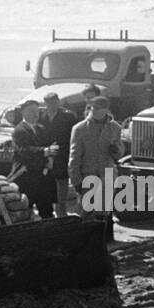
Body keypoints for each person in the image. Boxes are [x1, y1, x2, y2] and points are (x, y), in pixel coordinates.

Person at [69, 95, 123, 242]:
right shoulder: (79, 129)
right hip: (88, 175)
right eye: (95, 108)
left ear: (106, 109)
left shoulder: (115, 127)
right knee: (84, 212)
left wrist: (116, 150)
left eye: (101, 109)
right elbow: (74, 157)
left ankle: (103, 243)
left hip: (107, 174)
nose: (98, 111)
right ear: (90, 108)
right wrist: (76, 180)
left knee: (104, 212)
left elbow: (120, 152)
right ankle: (82, 242)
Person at [12, 99, 53, 218]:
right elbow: (24, 150)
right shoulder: (19, 130)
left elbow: (51, 144)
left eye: (37, 112)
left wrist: (50, 158)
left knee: (46, 210)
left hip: (43, 176)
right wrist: (43, 152)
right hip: (26, 176)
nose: (35, 115)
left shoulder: (41, 128)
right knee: (25, 209)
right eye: (31, 111)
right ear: (24, 112)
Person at [40, 91, 78, 217]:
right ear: (45, 104)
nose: (51, 105)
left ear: (58, 101)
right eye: (48, 103)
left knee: (62, 183)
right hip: (47, 154)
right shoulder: (42, 116)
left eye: (54, 102)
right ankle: (49, 211)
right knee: (47, 183)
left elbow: (74, 136)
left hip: (62, 154)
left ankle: (61, 211)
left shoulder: (68, 117)